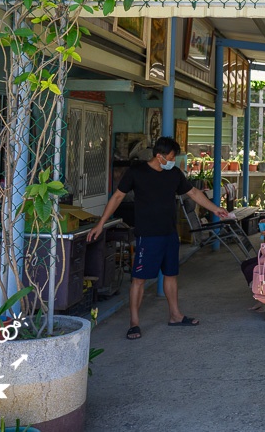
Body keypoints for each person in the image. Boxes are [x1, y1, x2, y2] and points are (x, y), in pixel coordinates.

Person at [87, 136, 228, 340]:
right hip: (148, 235)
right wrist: (101, 223)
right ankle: (134, 323)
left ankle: (175, 316)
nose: (173, 161)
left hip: (169, 233)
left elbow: (194, 192)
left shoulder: (174, 174)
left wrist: (216, 209)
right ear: (159, 156)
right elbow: (117, 196)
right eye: (171, 157)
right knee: (139, 279)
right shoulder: (136, 172)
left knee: (171, 274)